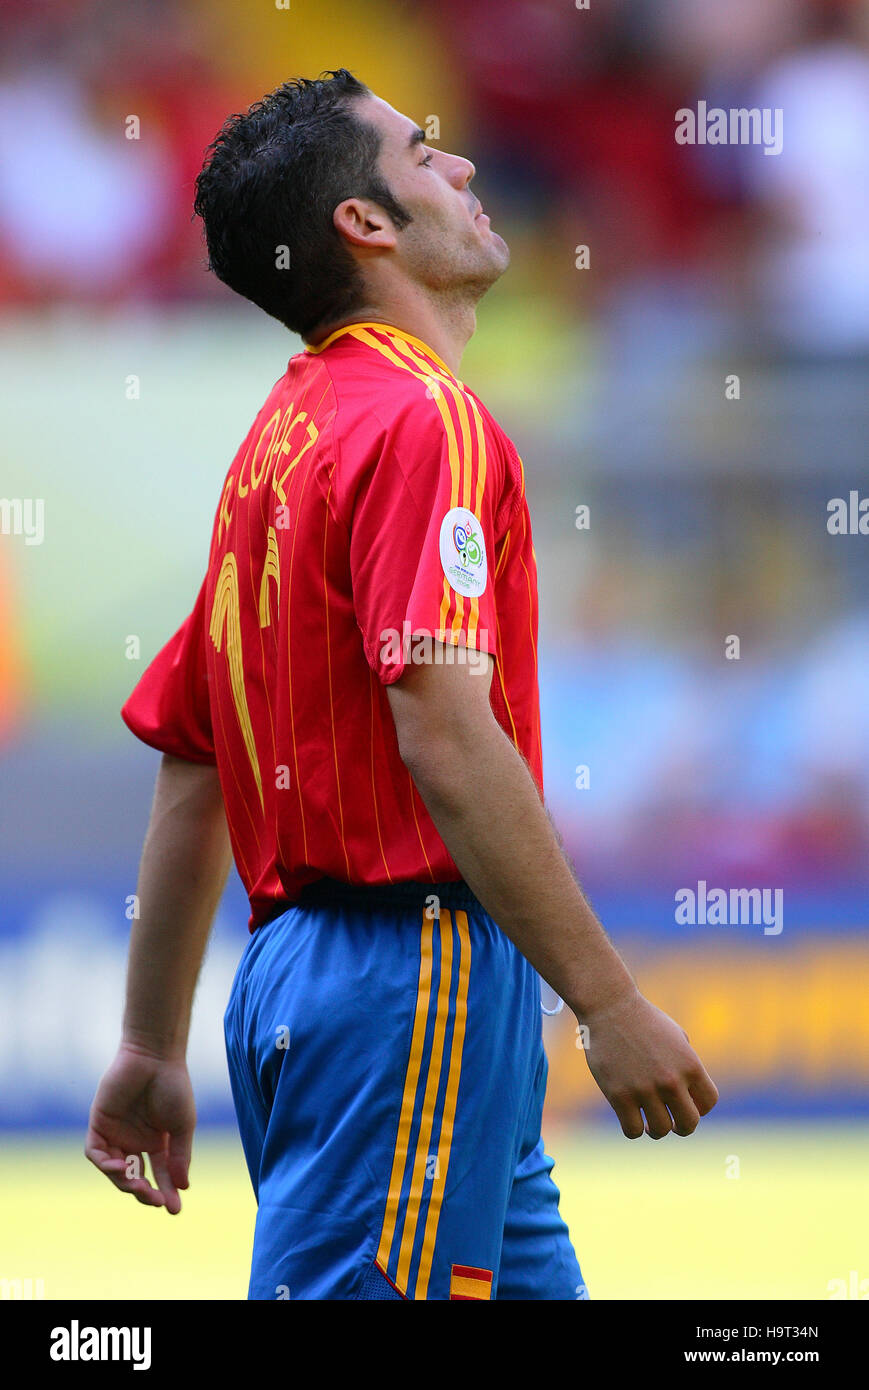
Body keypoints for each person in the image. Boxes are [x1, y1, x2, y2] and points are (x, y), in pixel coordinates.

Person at [85, 69, 718, 1301]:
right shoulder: (428, 421)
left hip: (317, 976)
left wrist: (148, 1043)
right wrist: (607, 1000)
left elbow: (195, 755)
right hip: (407, 977)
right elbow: (441, 725)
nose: (466, 170)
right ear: (364, 225)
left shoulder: (277, 444)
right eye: (424, 154)